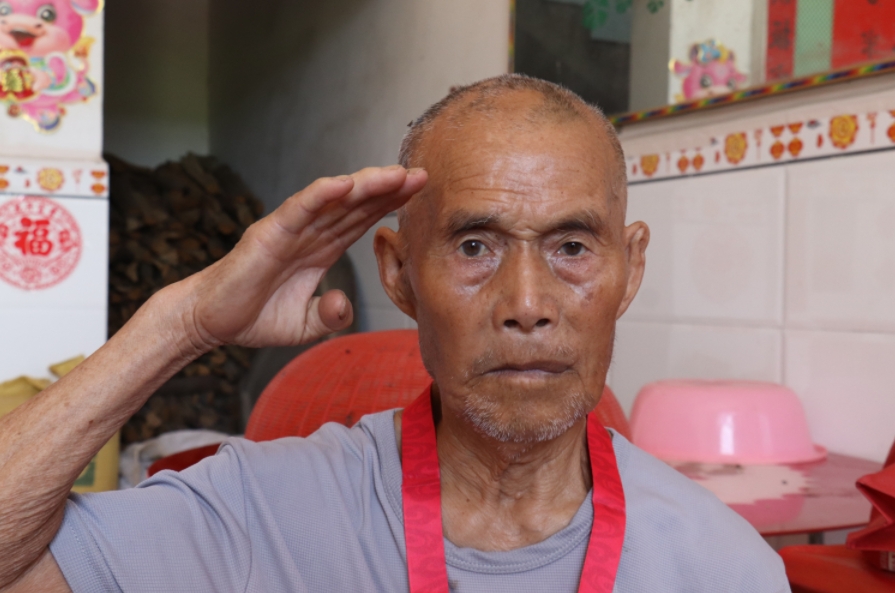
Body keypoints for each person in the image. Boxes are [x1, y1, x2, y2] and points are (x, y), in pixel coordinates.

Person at [0, 74, 790, 592]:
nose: (527, 302)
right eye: (474, 246)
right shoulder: (265, 511)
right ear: (398, 272)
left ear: (630, 267)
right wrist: (186, 319)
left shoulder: (721, 565)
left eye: (572, 247)